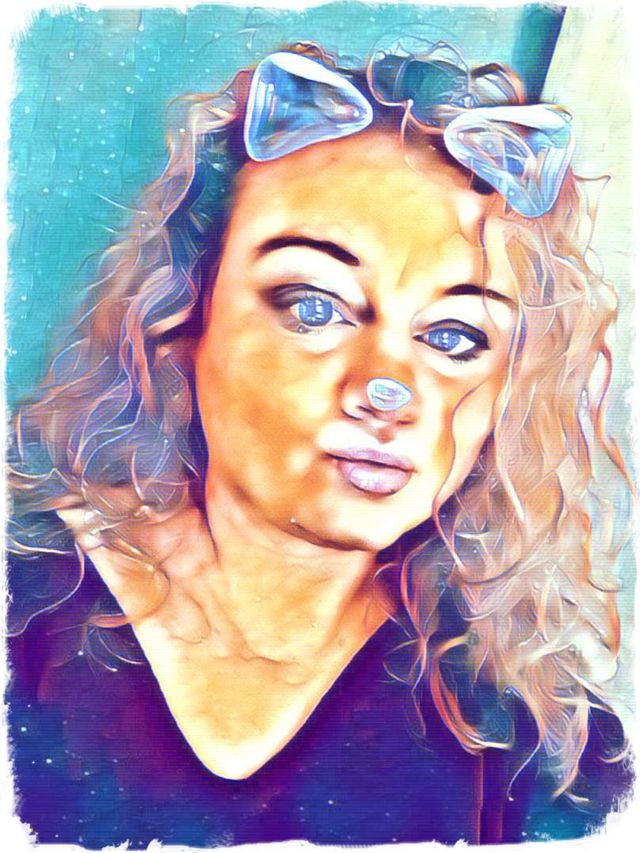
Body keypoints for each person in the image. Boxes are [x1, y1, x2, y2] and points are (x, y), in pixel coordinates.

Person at [6, 40, 633, 847]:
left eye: (453, 335)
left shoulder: (536, 747)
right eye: (313, 306)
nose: (387, 391)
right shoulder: (22, 604)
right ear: (183, 319)